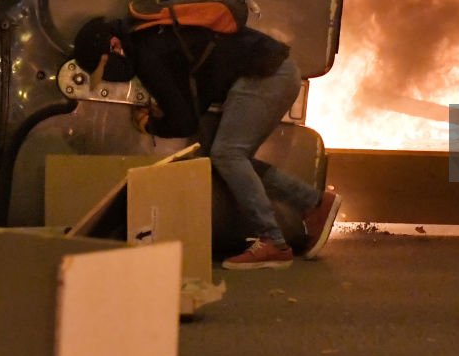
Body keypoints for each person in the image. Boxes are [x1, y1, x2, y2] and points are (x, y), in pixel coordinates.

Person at [72, 15, 342, 270]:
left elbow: (184, 121)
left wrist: (149, 124)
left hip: (265, 77)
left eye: (104, 67)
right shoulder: (149, 33)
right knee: (231, 158)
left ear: (114, 46)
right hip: (275, 71)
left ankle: (273, 241)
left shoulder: (147, 54)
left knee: (228, 155)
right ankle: (313, 203)